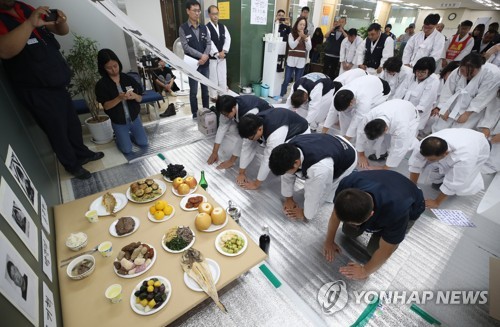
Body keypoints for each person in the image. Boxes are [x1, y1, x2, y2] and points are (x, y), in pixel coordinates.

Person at [0, 1, 103, 180]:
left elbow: (61, 31)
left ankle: (82, 154)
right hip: (36, 89)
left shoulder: (24, 7)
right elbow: (5, 50)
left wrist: (61, 21)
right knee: (57, 130)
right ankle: (72, 165)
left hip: (57, 83)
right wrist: (30, 23)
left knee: (72, 124)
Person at [323, 170, 425, 280]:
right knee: (348, 231)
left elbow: (386, 250)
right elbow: (336, 214)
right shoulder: (348, 186)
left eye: (354, 223)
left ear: (370, 215)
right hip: (386, 181)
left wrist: (364, 271)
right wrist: (329, 241)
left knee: (373, 250)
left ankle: (381, 232)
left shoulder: (397, 212)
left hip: (411, 203)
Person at [269, 133, 357, 220]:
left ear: (296, 163)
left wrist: (305, 214)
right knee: (291, 172)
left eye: (286, 172)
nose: (285, 174)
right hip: (331, 141)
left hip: (347, 155)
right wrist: (288, 198)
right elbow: (287, 176)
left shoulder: (319, 170)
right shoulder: (288, 150)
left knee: (328, 192)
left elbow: (316, 194)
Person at [408, 128, 490, 208]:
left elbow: (455, 181)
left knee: (464, 179)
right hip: (462, 135)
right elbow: (416, 164)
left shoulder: (465, 158)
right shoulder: (424, 144)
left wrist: (436, 202)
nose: (427, 160)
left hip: (479, 145)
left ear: (446, 154)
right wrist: (412, 186)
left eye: (431, 159)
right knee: (437, 178)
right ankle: (440, 178)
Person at [236, 109, 310, 190]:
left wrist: (256, 184)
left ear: (260, 130)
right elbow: (246, 147)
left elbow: (268, 158)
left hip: (299, 131)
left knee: (285, 160)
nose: (250, 140)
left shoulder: (275, 135)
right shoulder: (252, 125)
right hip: (284, 122)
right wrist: (241, 173)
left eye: (251, 138)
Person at [95, 49, 148, 154]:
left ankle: (127, 136)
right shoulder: (102, 85)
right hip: (119, 122)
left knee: (143, 142)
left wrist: (135, 96)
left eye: (115, 66)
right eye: (109, 68)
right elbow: (106, 106)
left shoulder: (128, 79)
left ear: (118, 63)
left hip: (134, 118)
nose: (114, 70)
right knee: (127, 150)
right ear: (103, 68)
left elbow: (140, 98)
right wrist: (119, 98)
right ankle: (120, 137)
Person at [432, 53, 500, 132]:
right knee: (439, 129)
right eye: (463, 70)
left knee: (458, 134)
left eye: (471, 73)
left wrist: (467, 113)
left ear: (478, 68)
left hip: (472, 111)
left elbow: (483, 97)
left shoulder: (492, 74)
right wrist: (444, 107)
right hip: (452, 105)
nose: (466, 75)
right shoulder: (457, 71)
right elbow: (448, 89)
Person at [207, 95, 272, 169]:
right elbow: (222, 127)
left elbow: (243, 139)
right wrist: (214, 152)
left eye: (226, 115)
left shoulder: (248, 114)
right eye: (223, 114)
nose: (224, 116)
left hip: (267, 119)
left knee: (249, 141)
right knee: (232, 129)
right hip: (249, 117)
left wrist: (231, 161)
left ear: (234, 108)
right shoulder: (227, 107)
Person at [356, 99, 419, 169]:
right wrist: (361, 155)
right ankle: (382, 153)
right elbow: (360, 133)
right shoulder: (369, 117)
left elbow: (399, 148)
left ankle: (388, 160)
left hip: (411, 115)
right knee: (379, 140)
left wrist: (384, 168)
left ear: (386, 129)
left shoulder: (401, 128)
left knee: (403, 145)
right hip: (395, 105)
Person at [322, 75, 390, 137]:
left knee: (362, 121)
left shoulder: (364, 101)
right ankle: (343, 135)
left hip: (382, 90)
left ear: (351, 103)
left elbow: (356, 121)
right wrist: (322, 134)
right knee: (344, 115)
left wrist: (346, 139)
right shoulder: (339, 94)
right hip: (367, 82)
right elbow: (332, 112)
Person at [179, 0, 211, 119]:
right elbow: (185, 47)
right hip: (192, 64)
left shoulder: (204, 27)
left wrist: (205, 56)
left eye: (199, 11)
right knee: (193, 91)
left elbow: (208, 43)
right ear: (188, 11)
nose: (197, 13)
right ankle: (194, 114)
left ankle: (207, 111)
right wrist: (200, 56)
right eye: (194, 10)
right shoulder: (183, 28)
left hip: (205, 64)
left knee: (205, 90)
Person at [393, 57, 440, 133]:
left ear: (429, 72)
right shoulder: (412, 75)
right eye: (418, 71)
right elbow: (402, 90)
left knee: (410, 131)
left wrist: (413, 113)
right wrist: (395, 102)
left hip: (417, 113)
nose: (419, 74)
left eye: (423, 72)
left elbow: (426, 100)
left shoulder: (433, 81)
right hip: (404, 107)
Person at [279, 17, 311, 100]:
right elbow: (292, 46)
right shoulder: (291, 34)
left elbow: (309, 48)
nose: (302, 26)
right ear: (297, 24)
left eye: (304, 25)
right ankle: (281, 95)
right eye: (300, 24)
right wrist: (299, 37)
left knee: (298, 82)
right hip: (291, 60)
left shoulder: (307, 36)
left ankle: (295, 98)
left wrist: (305, 38)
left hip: (301, 61)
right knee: (286, 80)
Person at [206, 5, 230, 101]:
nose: (215, 16)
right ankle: (213, 96)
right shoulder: (206, 27)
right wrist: (216, 53)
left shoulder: (223, 27)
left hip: (222, 57)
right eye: (213, 14)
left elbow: (228, 39)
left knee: (223, 75)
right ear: (209, 15)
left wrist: (223, 51)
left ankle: (222, 94)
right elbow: (209, 42)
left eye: (217, 13)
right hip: (213, 58)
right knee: (213, 77)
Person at [477, 88, 500, 173]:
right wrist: (486, 126)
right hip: (491, 132)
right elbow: (493, 109)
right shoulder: (497, 90)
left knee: (492, 164)